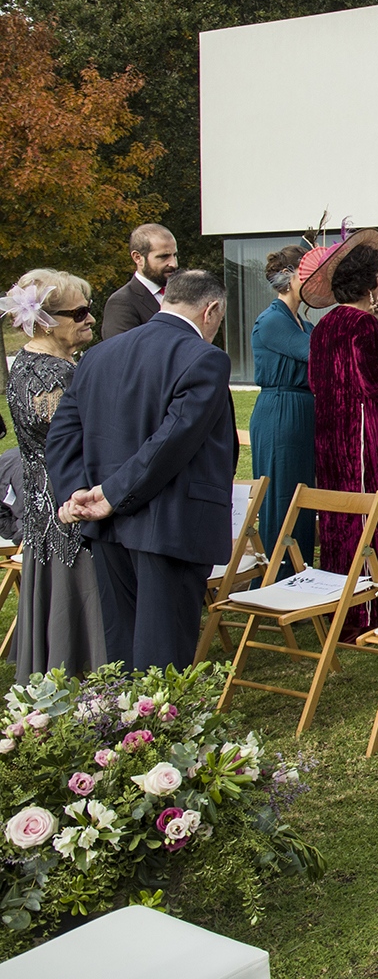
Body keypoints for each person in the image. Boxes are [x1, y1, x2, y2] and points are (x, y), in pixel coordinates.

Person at [45, 269, 236, 670]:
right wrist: (111, 495)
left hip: (107, 525)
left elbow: (63, 434)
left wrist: (79, 493)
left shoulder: (99, 352)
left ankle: (126, 726)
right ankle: (161, 729)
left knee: (123, 642)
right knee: (164, 648)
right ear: (212, 309)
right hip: (170, 522)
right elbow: (173, 440)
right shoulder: (204, 357)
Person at [299, 232, 378, 641]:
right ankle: (377, 607)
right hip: (365, 434)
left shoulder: (323, 326)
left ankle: (343, 603)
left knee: (340, 516)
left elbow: (318, 382)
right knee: (374, 513)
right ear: (369, 287)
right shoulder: (363, 323)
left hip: (330, 433)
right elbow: (376, 382)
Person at [2, 270, 108, 676]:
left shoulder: (43, 361)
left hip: (46, 495)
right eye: (79, 312)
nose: (90, 320)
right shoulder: (48, 375)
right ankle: (87, 679)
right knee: (78, 589)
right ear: (47, 319)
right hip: (65, 498)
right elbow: (69, 442)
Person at [250, 245, 316, 573]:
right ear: (289, 278)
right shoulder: (272, 321)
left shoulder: (302, 321)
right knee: (282, 493)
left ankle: (300, 571)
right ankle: (278, 575)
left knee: (302, 493)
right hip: (281, 413)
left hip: (303, 411)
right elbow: (315, 352)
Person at [98, 222, 179, 340]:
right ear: (137, 258)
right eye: (163, 256)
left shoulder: (181, 295)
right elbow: (122, 353)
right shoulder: (122, 302)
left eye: (175, 255)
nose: (173, 264)